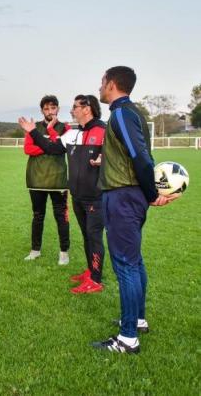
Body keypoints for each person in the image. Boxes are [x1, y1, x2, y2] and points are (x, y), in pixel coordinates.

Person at [92, 66, 179, 354]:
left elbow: (140, 157)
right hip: (128, 196)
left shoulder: (121, 113)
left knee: (126, 266)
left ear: (113, 84)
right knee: (134, 261)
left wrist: (152, 193)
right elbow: (133, 155)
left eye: (102, 81)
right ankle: (137, 319)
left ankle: (128, 338)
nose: (100, 86)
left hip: (122, 198)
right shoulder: (130, 113)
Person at [18, 95, 106, 293]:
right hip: (78, 195)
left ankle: (96, 279)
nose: (71, 110)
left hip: (95, 196)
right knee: (86, 236)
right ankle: (91, 271)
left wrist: (105, 159)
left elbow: (119, 156)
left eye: (75, 107)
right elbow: (51, 147)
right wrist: (35, 131)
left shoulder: (103, 130)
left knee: (94, 237)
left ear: (87, 108)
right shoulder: (74, 133)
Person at [22, 95, 71, 264]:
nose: (50, 111)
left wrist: (47, 145)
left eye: (53, 108)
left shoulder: (65, 128)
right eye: (46, 108)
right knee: (38, 216)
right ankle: (35, 250)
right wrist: (50, 146)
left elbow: (62, 149)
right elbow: (28, 149)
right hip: (36, 179)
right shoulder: (33, 127)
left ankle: (64, 253)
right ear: (42, 110)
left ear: (58, 108)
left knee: (61, 217)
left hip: (58, 180)